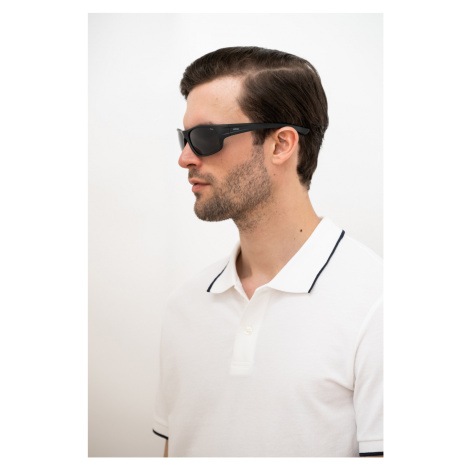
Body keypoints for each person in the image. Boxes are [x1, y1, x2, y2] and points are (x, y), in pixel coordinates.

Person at [152, 46, 383, 458]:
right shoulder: (185, 306)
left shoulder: (377, 305)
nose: (185, 158)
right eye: (185, 138)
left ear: (280, 145)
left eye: (205, 137)